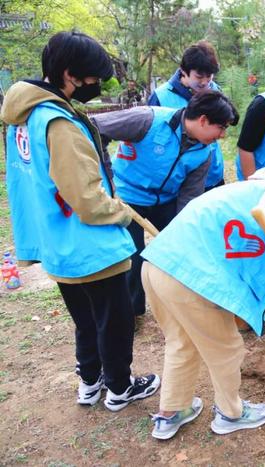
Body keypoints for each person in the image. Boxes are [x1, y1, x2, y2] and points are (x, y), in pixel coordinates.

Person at [1, 31, 159, 411]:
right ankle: (120, 388)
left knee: (86, 320)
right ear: (69, 74)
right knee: (115, 321)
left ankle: (90, 383)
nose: (97, 85)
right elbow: (88, 200)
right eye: (93, 78)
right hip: (91, 244)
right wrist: (122, 213)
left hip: (57, 240)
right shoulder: (60, 124)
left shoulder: (24, 119)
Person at [144, 159, 265, 440]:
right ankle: (230, 414)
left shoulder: (261, 194)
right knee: (226, 348)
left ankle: (171, 413)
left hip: (160, 264)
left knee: (182, 342)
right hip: (190, 278)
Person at [93, 91, 239, 318]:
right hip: (128, 196)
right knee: (133, 255)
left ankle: (195, 299)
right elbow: (94, 127)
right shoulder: (147, 120)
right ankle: (132, 314)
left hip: (166, 200)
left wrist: (184, 231)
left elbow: (189, 197)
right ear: (203, 120)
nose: (222, 135)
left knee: (188, 244)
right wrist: (106, 176)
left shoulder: (204, 152)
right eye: (221, 128)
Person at [148, 41, 227, 190]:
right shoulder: (161, 97)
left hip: (213, 175)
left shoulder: (215, 90)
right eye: (199, 76)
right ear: (184, 71)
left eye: (209, 76)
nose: (205, 82)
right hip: (180, 180)